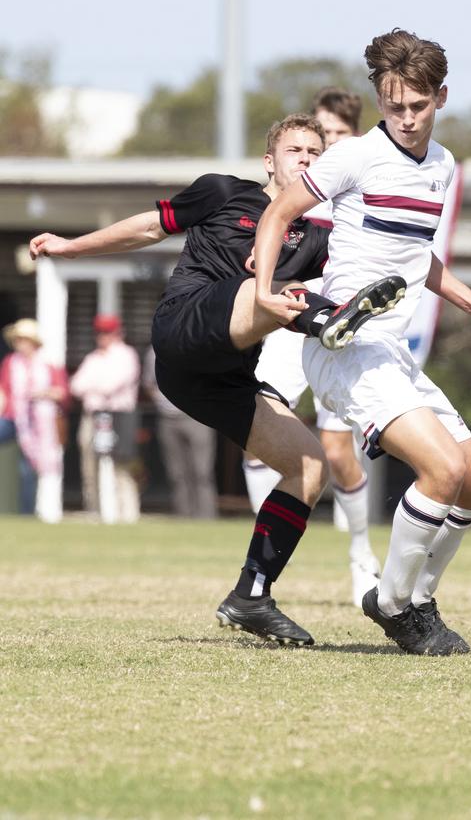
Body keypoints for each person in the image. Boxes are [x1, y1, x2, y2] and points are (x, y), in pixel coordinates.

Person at [29, 112, 404, 647]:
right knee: (272, 289)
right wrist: (71, 248)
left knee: (311, 467)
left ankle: (251, 594)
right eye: (295, 150)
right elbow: (145, 227)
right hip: (183, 331)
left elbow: (410, 256)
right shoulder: (224, 193)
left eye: (316, 154)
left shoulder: (324, 234)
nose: (306, 159)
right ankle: (327, 321)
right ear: (269, 162)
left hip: (220, 379)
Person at [253, 28, 471, 655]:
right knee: (443, 468)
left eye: (418, 105)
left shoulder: (443, 166)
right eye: (393, 105)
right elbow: (277, 215)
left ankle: (417, 598)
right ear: (380, 100)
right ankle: (393, 603)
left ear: (442, 97)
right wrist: (269, 289)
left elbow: (417, 258)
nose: (405, 119)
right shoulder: (353, 158)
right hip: (343, 344)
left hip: (391, 351)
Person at [244, 87, 382, 607]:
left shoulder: (359, 179)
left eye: (329, 142)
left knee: (337, 452)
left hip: (336, 323)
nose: (314, 158)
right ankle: (265, 566)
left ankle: (361, 556)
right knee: (262, 432)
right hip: (287, 321)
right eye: (306, 147)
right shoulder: (291, 190)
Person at [69, 314, 141, 523]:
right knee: (90, 466)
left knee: (121, 465)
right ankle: (96, 510)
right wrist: (96, 387)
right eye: (100, 332)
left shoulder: (126, 355)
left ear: (118, 332)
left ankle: (127, 513)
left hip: (118, 416)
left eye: (107, 332)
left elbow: (113, 385)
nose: (103, 336)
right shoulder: (93, 358)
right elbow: (76, 385)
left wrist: (94, 386)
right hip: (93, 416)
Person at [0, 318, 69, 522]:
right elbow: (4, 390)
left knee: (27, 471)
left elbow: (62, 392)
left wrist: (42, 393)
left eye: (24, 339)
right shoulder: (11, 363)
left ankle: (27, 514)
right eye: (18, 340)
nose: (20, 344)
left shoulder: (48, 364)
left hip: (40, 423)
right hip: (14, 418)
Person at [142, 345, 218, 518]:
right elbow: (148, 383)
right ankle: (184, 517)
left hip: (198, 417)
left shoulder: (200, 347)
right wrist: (159, 400)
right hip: (167, 419)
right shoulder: (153, 352)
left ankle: (206, 519)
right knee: (177, 474)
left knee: (202, 472)